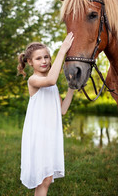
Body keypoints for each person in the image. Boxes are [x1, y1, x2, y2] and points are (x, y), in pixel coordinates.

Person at [17, 32, 74, 196]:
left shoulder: (52, 86)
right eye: (39, 58)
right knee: (42, 180)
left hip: (50, 136)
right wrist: (62, 50)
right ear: (29, 62)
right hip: (38, 135)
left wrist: (71, 88)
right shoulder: (33, 80)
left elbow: (61, 111)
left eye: (47, 57)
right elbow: (51, 80)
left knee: (47, 179)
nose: (44, 61)